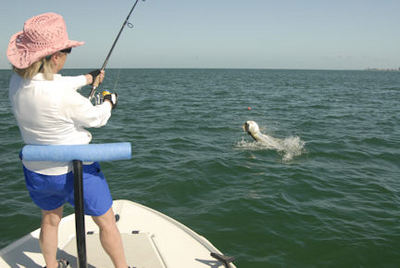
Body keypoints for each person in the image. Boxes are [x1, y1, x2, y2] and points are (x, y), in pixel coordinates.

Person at [7, 12, 127, 268]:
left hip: (38, 171)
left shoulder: (16, 82)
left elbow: (53, 83)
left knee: (50, 220)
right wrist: (109, 102)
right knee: (106, 221)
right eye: (66, 51)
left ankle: (51, 266)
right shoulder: (62, 96)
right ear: (54, 56)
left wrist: (87, 78)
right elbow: (96, 119)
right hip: (77, 170)